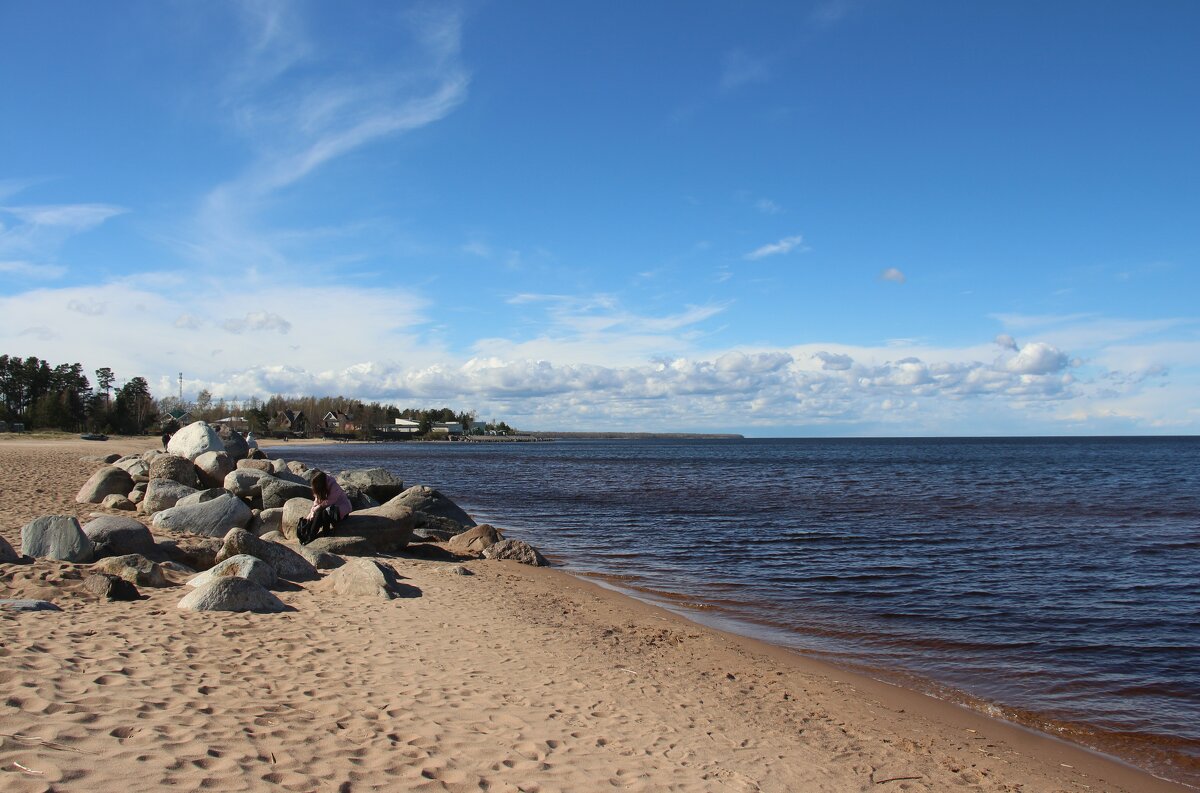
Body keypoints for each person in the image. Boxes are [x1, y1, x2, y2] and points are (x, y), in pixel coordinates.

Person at [297, 471, 352, 545]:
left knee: (323, 512)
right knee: (318, 513)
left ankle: (312, 536)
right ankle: (308, 535)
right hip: (328, 510)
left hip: (340, 510)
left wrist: (316, 509)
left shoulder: (334, 486)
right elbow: (316, 502)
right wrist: (311, 514)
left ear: (320, 484)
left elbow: (329, 502)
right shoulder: (320, 488)